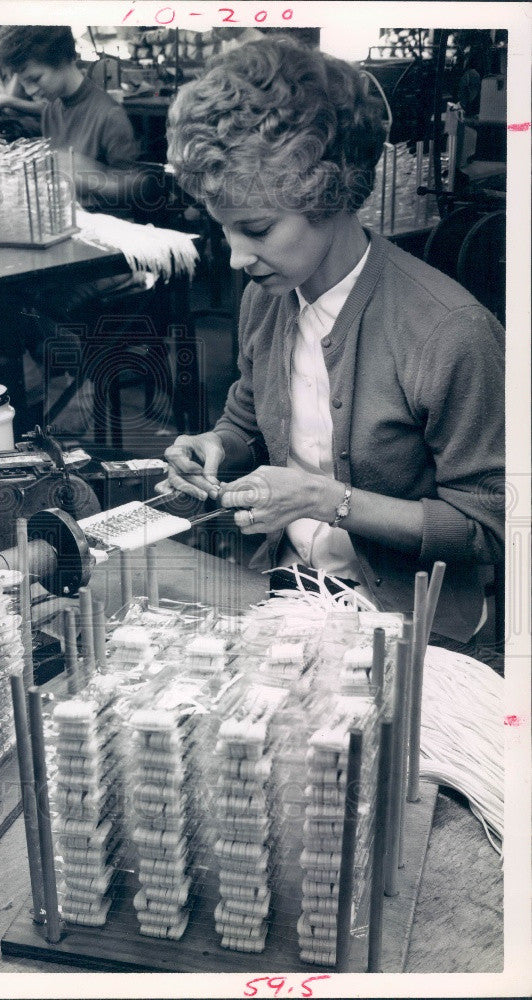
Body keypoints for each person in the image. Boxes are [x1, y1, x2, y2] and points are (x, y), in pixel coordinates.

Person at [161, 36, 505, 646]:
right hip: (293, 594)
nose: (237, 258)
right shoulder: (266, 298)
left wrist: (327, 500)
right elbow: (249, 413)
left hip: (412, 628)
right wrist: (215, 444)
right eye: (224, 231)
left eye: (257, 229)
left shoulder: (449, 332)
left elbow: (495, 526)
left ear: (331, 192)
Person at [0, 25, 141, 209]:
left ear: (64, 60)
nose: (30, 91)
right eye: (24, 83)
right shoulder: (51, 111)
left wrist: (90, 177)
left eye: (36, 79)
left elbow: (136, 191)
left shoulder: (110, 116)